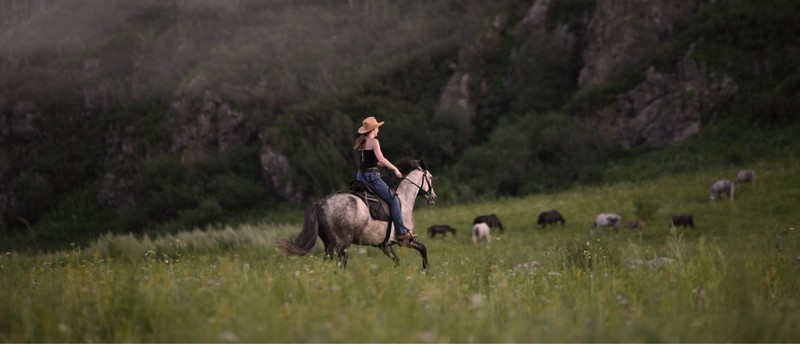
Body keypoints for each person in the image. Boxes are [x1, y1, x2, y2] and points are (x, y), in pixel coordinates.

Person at [353, 116, 414, 244]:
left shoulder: (360, 141)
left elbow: (372, 161)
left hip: (360, 177)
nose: (378, 130)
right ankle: (402, 233)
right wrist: (395, 169)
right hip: (372, 178)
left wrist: (384, 165)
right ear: (374, 129)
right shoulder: (374, 141)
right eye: (377, 128)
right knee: (394, 200)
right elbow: (380, 159)